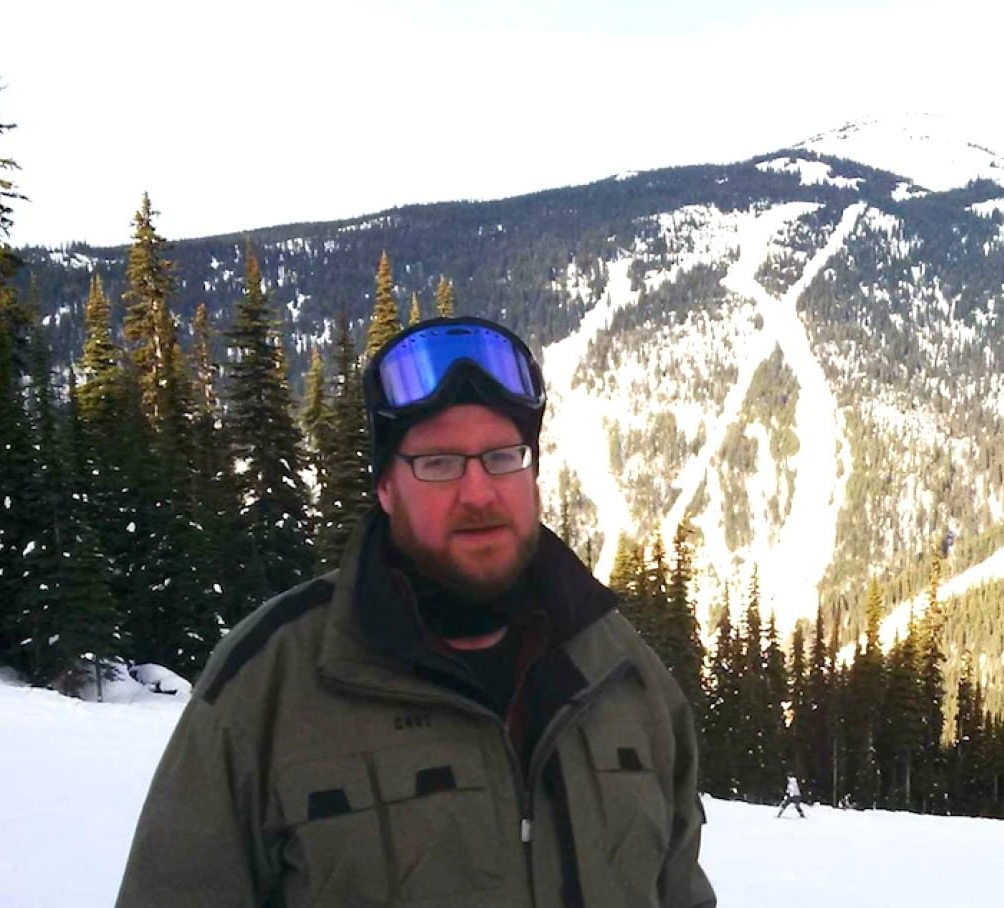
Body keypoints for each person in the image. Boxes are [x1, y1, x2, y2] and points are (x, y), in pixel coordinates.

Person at [116, 315, 716, 907]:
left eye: (503, 457)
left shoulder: (622, 673)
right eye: (438, 463)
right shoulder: (268, 685)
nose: (478, 493)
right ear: (383, 488)